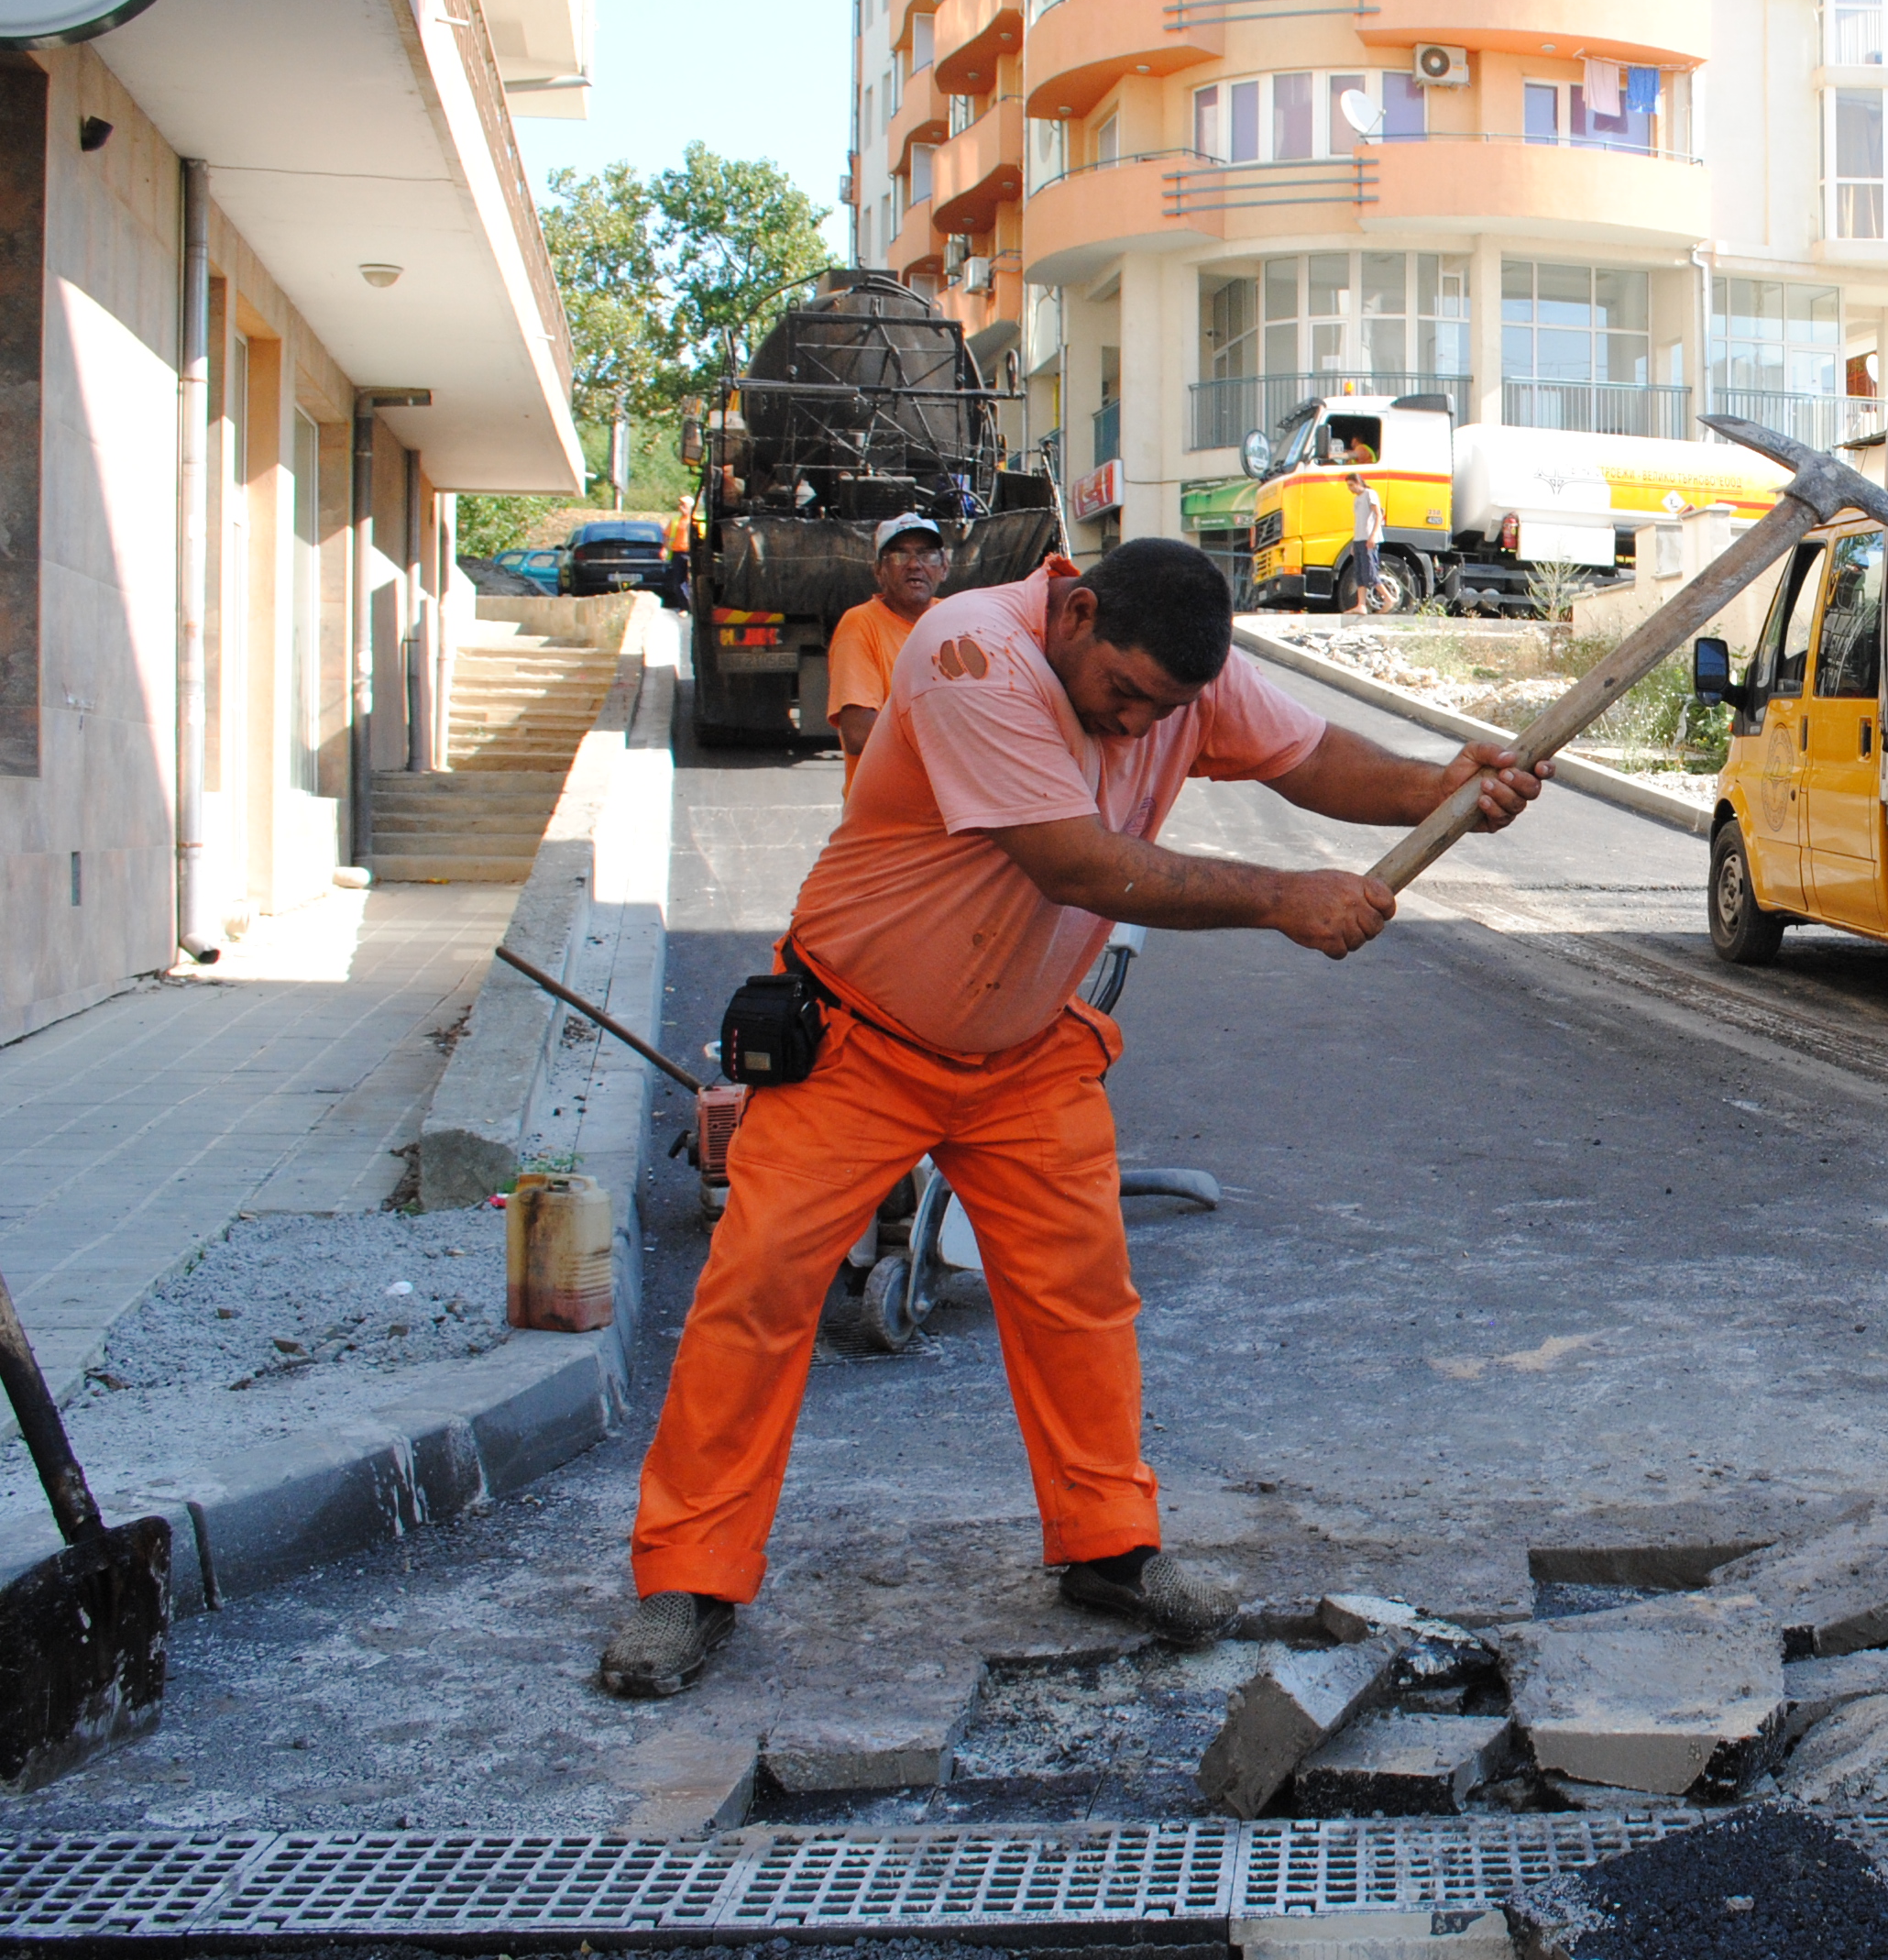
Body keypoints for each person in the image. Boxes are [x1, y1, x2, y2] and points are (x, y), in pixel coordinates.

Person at [597, 540, 1548, 1699]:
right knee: (757, 1295)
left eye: (1170, 709)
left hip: (1025, 1051)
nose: (1144, 726)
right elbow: (1076, 865)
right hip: (858, 1041)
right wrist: (1285, 899)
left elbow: (1309, 760)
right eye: (1126, 696)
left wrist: (1444, 786)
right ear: (1074, 612)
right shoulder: (969, 654)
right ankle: (688, 1577)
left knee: (1082, 1303)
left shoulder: (1170, 671)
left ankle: (1107, 1551)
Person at [827, 513, 950, 795]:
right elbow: (858, 733)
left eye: (927, 555)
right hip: (888, 821)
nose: (914, 565)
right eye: (898, 556)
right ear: (879, 571)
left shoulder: (957, 618)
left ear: (945, 567)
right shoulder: (860, 624)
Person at [1335, 471, 1386, 613]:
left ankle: (1388, 598)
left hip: (1368, 539)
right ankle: (1361, 605)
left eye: (1351, 485)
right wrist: (1353, 542)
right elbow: (1358, 522)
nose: (1350, 488)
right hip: (1359, 539)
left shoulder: (1370, 494)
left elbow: (1378, 515)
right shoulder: (1356, 500)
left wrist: (1374, 535)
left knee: (1370, 572)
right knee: (1359, 573)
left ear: (1358, 483)